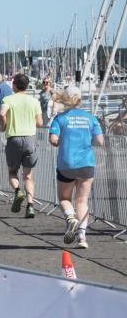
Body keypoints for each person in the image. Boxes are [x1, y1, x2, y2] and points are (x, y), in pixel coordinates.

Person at [49, 86, 104, 249]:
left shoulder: (60, 118)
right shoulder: (91, 118)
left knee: (65, 199)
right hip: (86, 163)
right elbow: (100, 141)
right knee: (82, 201)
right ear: (80, 99)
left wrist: (61, 142)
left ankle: (70, 218)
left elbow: (53, 139)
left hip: (67, 163)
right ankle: (82, 238)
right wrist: (86, 142)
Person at [0, 73, 43, 218]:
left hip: (14, 138)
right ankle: (30, 206)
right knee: (28, 175)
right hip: (30, 138)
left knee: (12, 172)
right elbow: (40, 123)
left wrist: (3, 126)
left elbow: (1, 114)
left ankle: (18, 191)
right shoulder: (34, 101)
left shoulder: (8, 99)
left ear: (14, 85)